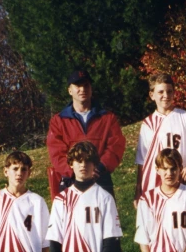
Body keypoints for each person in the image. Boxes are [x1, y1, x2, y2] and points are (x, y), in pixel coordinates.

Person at [48, 142, 124, 252]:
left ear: (94, 166)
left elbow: (111, 238)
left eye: (88, 161)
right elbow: (54, 239)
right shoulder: (61, 199)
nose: (83, 165)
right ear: (71, 164)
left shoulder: (104, 197)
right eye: (78, 161)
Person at [46, 69, 126, 198]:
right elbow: (56, 153)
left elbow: (116, 146)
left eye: (86, 85)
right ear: (70, 90)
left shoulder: (107, 118)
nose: (82, 89)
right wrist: (75, 171)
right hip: (71, 181)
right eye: (78, 85)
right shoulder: (59, 121)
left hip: (100, 178)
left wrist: (99, 167)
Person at [135, 73, 186, 204]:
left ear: (174, 93)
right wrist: (138, 188)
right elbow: (141, 160)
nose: (166, 96)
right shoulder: (148, 124)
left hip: (179, 178)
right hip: (154, 181)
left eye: (169, 91)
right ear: (152, 95)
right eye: (161, 92)